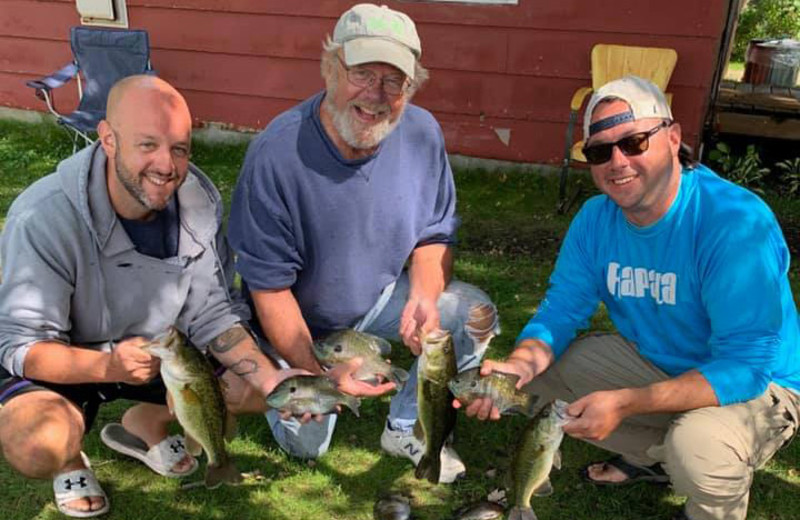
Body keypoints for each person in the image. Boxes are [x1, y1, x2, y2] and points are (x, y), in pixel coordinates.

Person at [0, 75, 369, 518]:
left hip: (164, 355)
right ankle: (71, 461)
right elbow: (20, 348)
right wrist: (107, 365)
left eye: (179, 148)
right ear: (108, 139)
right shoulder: (43, 217)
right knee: (36, 445)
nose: (167, 165)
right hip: (70, 355)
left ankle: (145, 423)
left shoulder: (197, 200)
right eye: (147, 145)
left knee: (248, 397)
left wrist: (282, 385)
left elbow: (212, 312)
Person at [458, 75, 800, 520]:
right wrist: (519, 365)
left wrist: (627, 403)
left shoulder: (733, 223)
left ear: (673, 138)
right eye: (600, 151)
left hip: (762, 387)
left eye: (635, 142)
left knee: (698, 447)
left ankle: (701, 491)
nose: (617, 161)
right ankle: (658, 456)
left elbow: (746, 368)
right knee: (532, 385)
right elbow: (562, 309)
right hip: (662, 363)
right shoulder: (596, 218)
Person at [227, 3, 499, 483]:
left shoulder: (422, 134)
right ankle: (268, 373)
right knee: (306, 444)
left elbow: (434, 235)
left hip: (375, 301)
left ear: (411, 87)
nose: (376, 94)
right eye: (361, 73)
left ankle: (406, 423)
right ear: (330, 68)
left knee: (476, 313)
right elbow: (268, 290)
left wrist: (422, 295)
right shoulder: (276, 154)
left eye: (394, 80)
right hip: (300, 320)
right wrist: (324, 376)